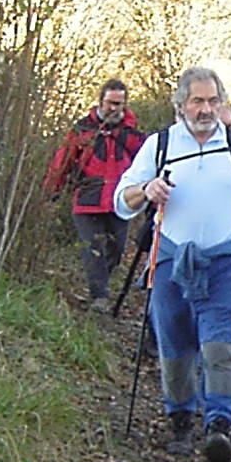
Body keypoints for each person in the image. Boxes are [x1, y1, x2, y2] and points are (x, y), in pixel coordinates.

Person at [114, 66, 231, 462]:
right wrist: (146, 190)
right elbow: (121, 201)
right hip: (171, 259)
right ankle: (180, 416)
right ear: (180, 104)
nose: (206, 109)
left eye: (213, 101)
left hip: (227, 260)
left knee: (220, 345)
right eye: (197, 101)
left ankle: (221, 425)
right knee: (175, 345)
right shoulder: (159, 145)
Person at [44, 79, 144, 312]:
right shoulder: (82, 130)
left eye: (119, 104)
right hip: (87, 199)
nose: (114, 108)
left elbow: (146, 165)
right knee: (93, 248)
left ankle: (101, 284)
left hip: (120, 201)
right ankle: (99, 295)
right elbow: (62, 162)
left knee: (117, 249)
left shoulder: (132, 135)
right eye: (110, 103)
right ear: (100, 101)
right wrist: (51, 192)